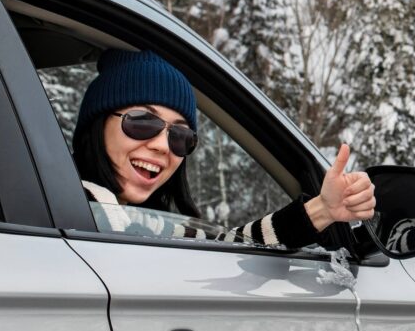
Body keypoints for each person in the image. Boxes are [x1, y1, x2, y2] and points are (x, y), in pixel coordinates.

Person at [72, 49, 376, 248]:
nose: (162, 146)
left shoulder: (147, 222)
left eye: (180, 136)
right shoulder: (76, 206)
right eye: (142, 122)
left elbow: (230, 248)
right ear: (97, 124)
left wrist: (322, 209)